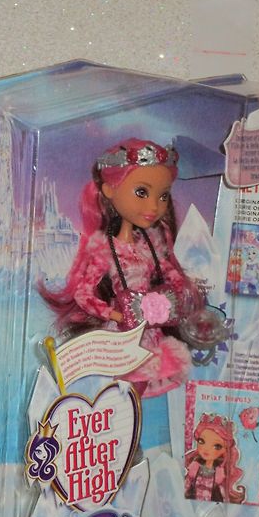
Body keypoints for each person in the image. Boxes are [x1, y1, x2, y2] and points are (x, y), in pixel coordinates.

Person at [40, 138, 208, 397]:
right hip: (122, 336)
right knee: (123, 389)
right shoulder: (104, 249)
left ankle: (128, 419)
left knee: (139, 388)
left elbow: (170, 272)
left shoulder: (152, 244)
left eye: (163, 196)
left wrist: (176, 294)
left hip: (149, 331)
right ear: (109, 190)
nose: (154, 206)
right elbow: (83, 294)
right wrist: (115, 314)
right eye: (141, 192)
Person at [184, 413, 245, 503]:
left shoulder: (219, 472)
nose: (206, 449)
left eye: (217, 446)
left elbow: (222, 491)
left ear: (225, 450)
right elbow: (187, 484)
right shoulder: (195, 466)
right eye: (201, 441)